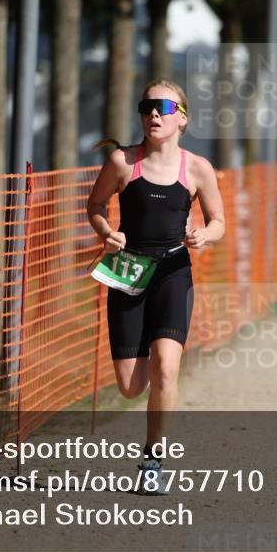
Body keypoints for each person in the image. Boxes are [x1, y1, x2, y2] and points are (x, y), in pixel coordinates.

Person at [86, 79, 226, 494]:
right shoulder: (122, 162)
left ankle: (153, 459)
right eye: (146, 106)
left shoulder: (197, 168)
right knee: (131, 387)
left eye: (162, 107)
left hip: (173, 272)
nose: (153, 114)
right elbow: (94, 206)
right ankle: (146, 364)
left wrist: (205, 235)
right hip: (127, 272)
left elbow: (219, 221)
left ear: (181, 117)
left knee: (167, 366)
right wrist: (106, 232)